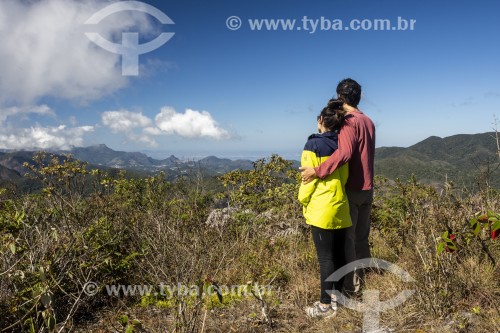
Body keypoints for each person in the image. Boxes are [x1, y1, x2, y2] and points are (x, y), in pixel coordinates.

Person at [300, 78, 376, 294]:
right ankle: (362, 281)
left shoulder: (350, 121)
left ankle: (350, 289)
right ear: (359, 97)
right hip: (367, 188)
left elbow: (344, 153)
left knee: (348, 242)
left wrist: (317, 171)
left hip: (351, 187)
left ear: (341, 97)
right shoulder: (368, 121)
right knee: (362, 239)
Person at [298, 100, 352, 317]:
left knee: (326, 259)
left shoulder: (313, 145)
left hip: (321, 208)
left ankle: (324, 306)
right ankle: (338, 299)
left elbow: (306, 179)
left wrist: (303, 201)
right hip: (341, 205)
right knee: (339, 255)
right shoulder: (344, 144)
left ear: (321, 121)